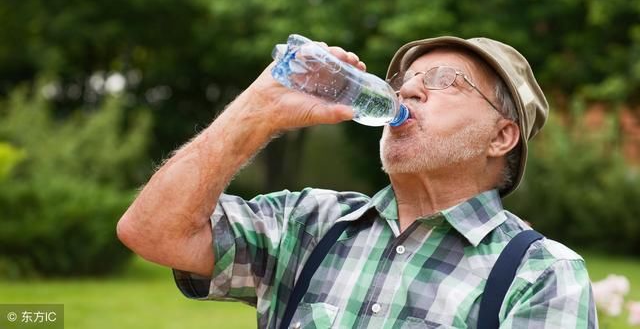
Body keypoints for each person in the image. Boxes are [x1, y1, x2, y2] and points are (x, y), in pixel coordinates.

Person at [117, 36, 597, 328]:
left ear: (501, 136)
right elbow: (152, 231)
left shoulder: (539, 275)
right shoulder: (308, 225)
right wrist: (255, 114)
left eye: (446, 81)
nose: (407, 89)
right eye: (407, 80)